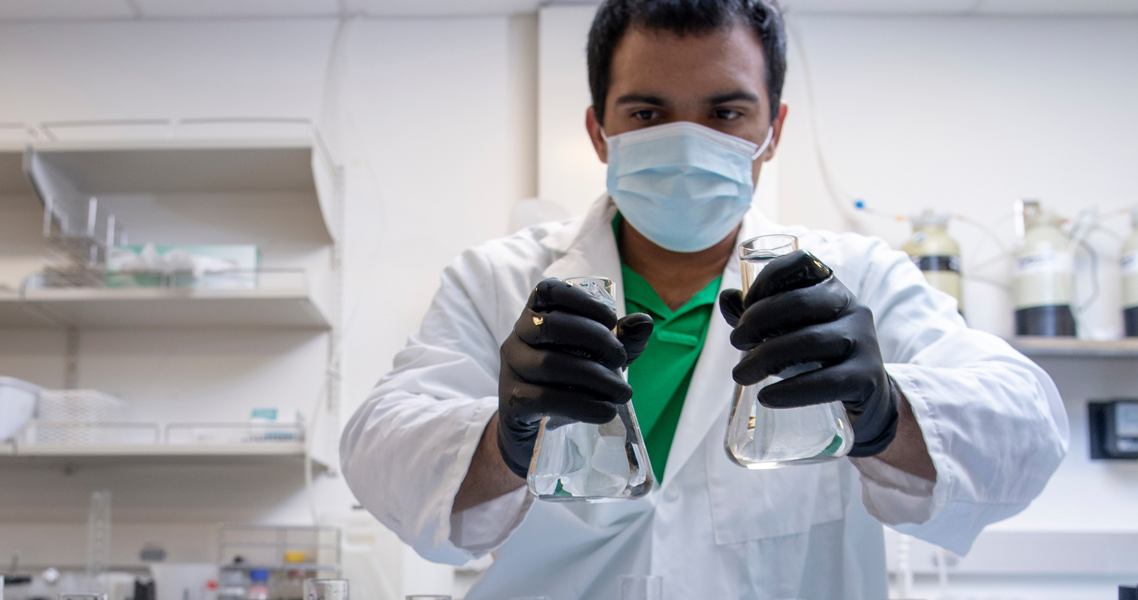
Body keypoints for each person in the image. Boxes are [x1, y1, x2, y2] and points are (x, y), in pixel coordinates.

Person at [340, 0, 1069, 598]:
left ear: (772, 132)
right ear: (599, 131)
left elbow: (1027, 424)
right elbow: (378, 449)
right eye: (648, 115)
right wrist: (504, 437)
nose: (687, 145)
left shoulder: (858, 277)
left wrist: (884, 410)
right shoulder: (497, 280)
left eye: (725, 114)